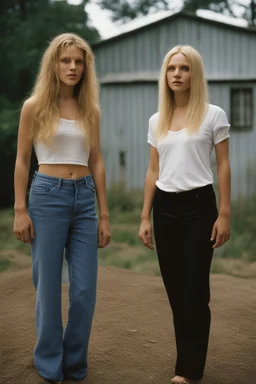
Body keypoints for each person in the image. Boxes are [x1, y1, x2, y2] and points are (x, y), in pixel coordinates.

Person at [13, 33, 111, 383]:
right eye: (66, 60)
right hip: (46, 196)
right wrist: (19, 208)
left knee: (84, 291)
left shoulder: (91, 110)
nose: (72, 67)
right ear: (53, 64)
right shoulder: (33, 106)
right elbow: (23, 160)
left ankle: (74, 361)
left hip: (84, 198)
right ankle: (49, 363)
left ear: (86, 68)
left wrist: (104, 214)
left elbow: (97, 161)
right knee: (49, 287)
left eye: (79, 61)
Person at [138, 45, 231, 384]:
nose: (177, 74)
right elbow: (152, 171)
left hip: (198, 209)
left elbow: (222, 165)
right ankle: (186, 364)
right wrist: (145, 216)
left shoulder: (213, 115)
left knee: (195, 292)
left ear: (195, 74)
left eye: (184, 68)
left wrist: (224, 213)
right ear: (165, 75)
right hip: (164, 209)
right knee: (177, 292)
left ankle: (189, 371)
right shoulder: (156, 120)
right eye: (171, 68)